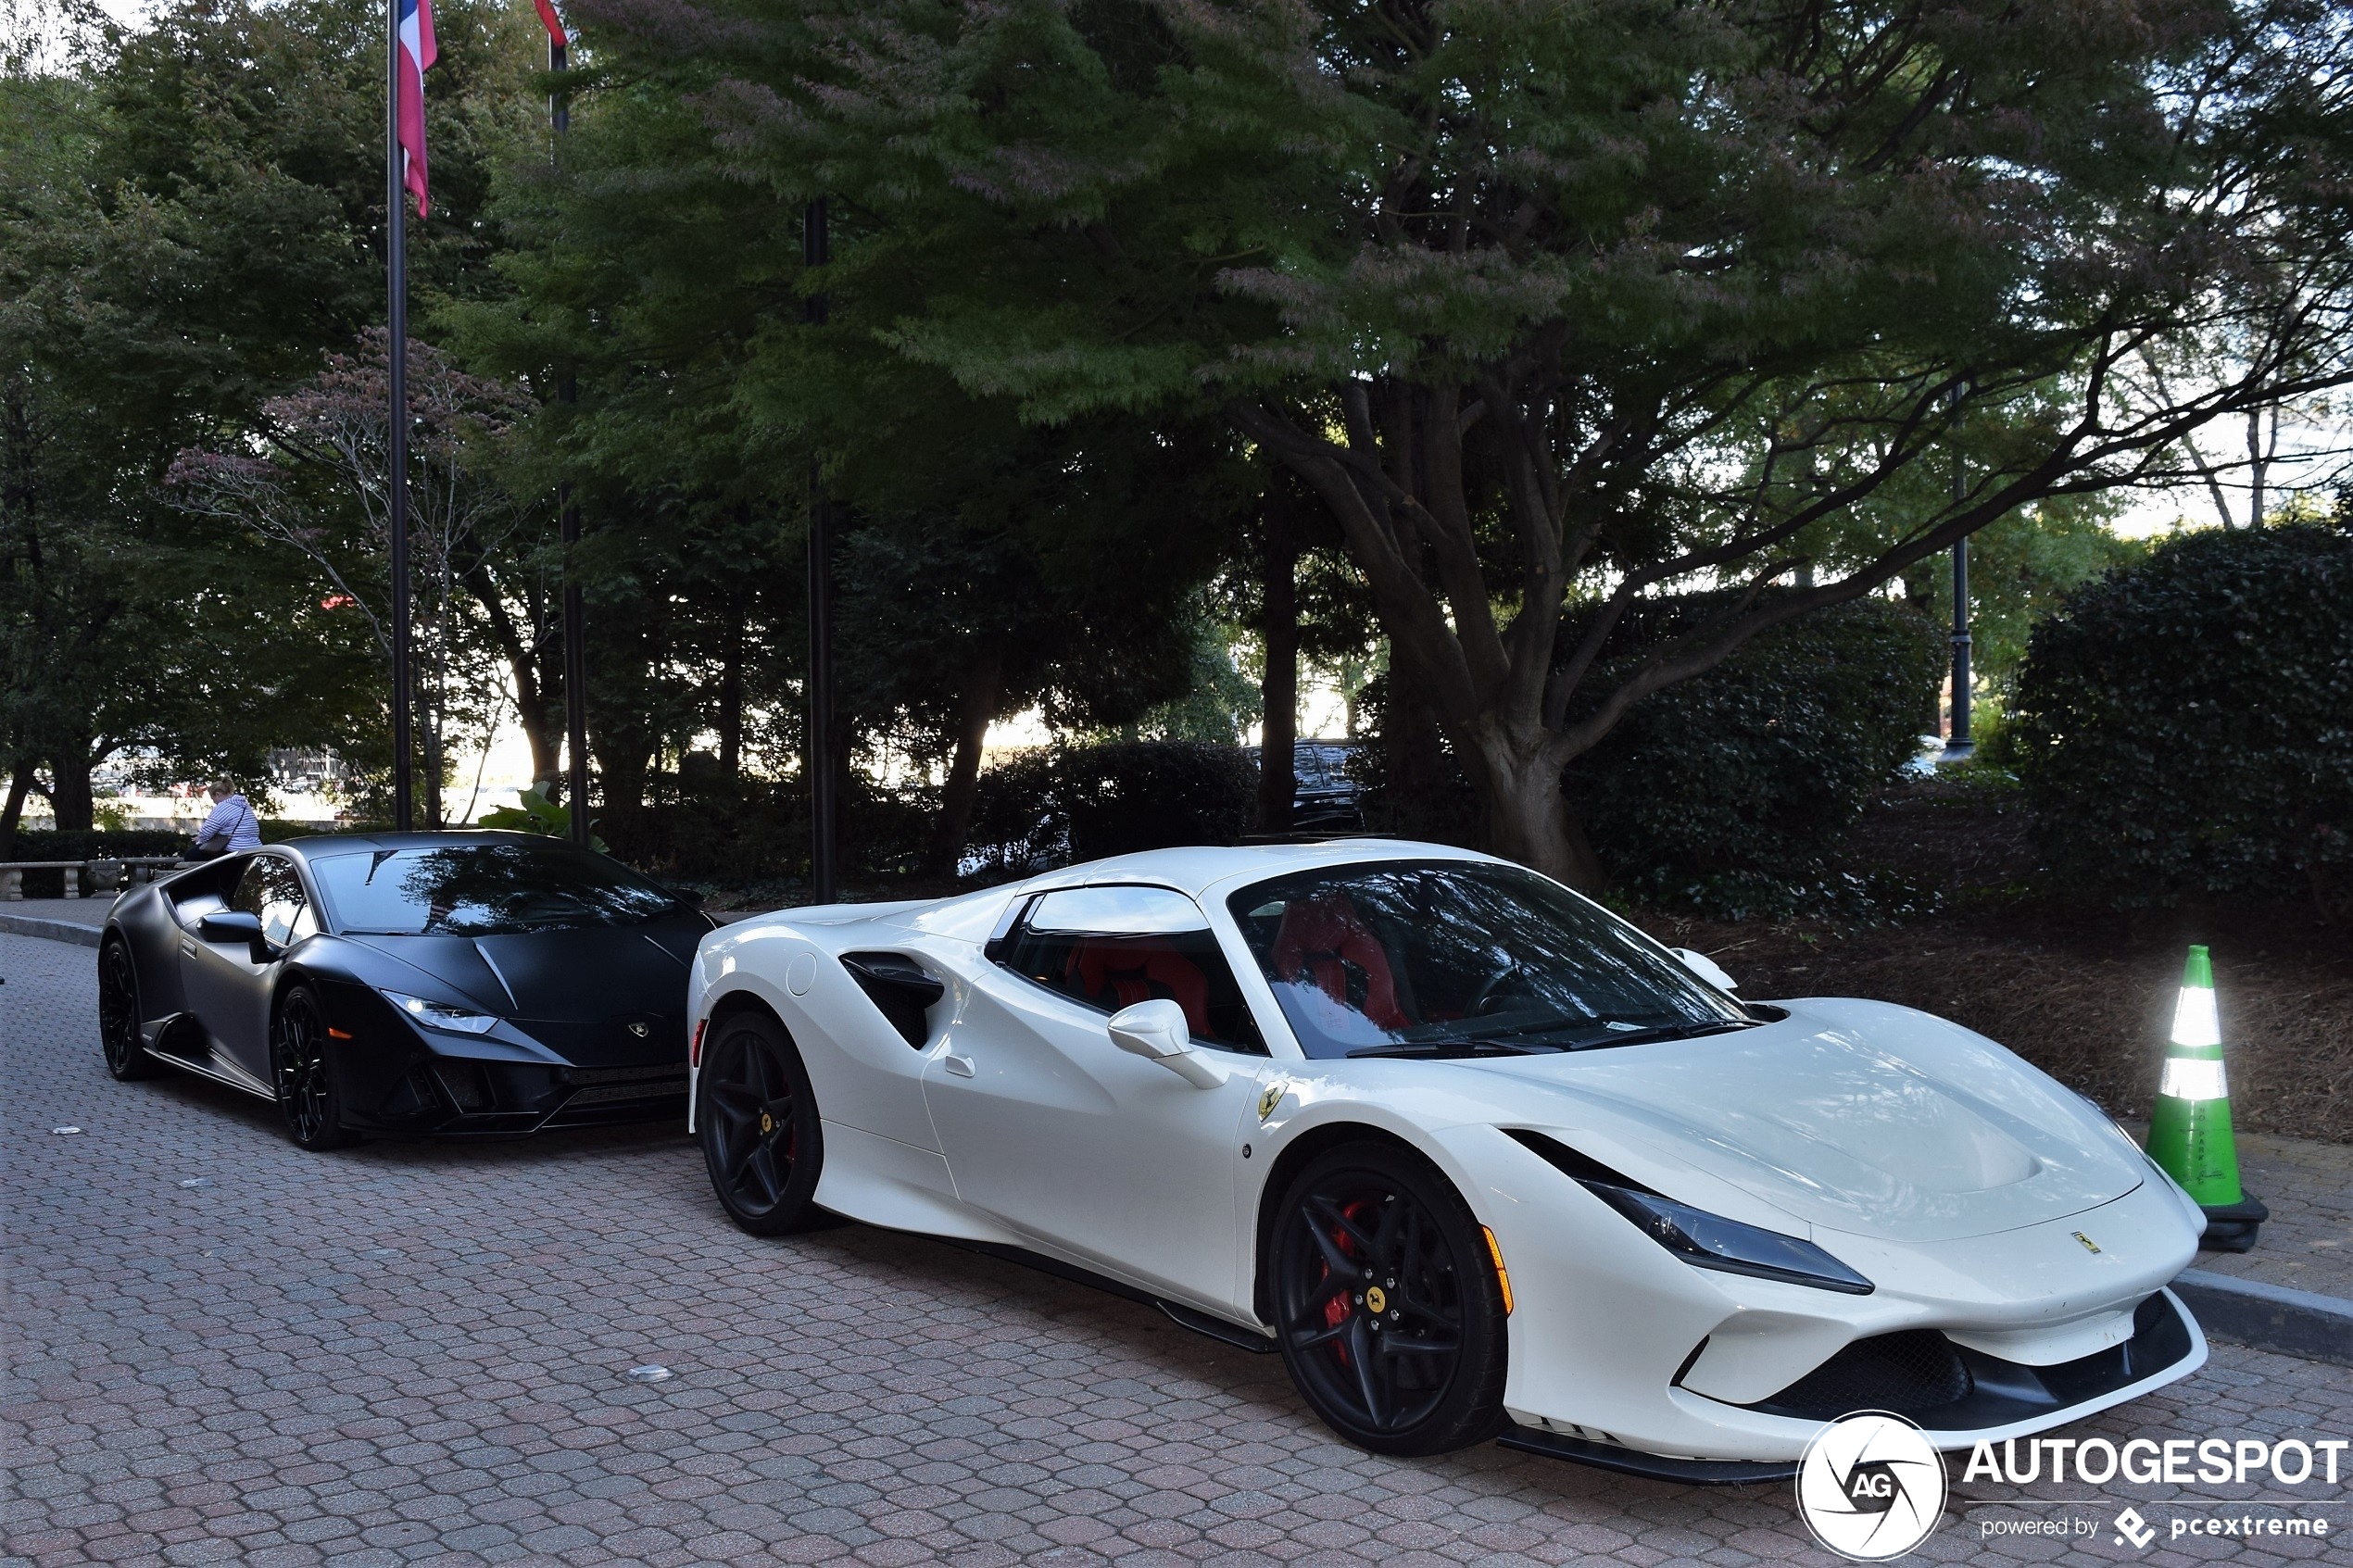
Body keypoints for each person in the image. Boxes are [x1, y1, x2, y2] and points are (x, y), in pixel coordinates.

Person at [189, 780, 262, 859]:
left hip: (234, 850)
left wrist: (199, 840)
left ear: (217, 794)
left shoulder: (224, 806)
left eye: (213, 799)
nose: (214, 803)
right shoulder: (244, 805)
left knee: (190, 855)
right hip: (254, 848)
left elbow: (207, 830)